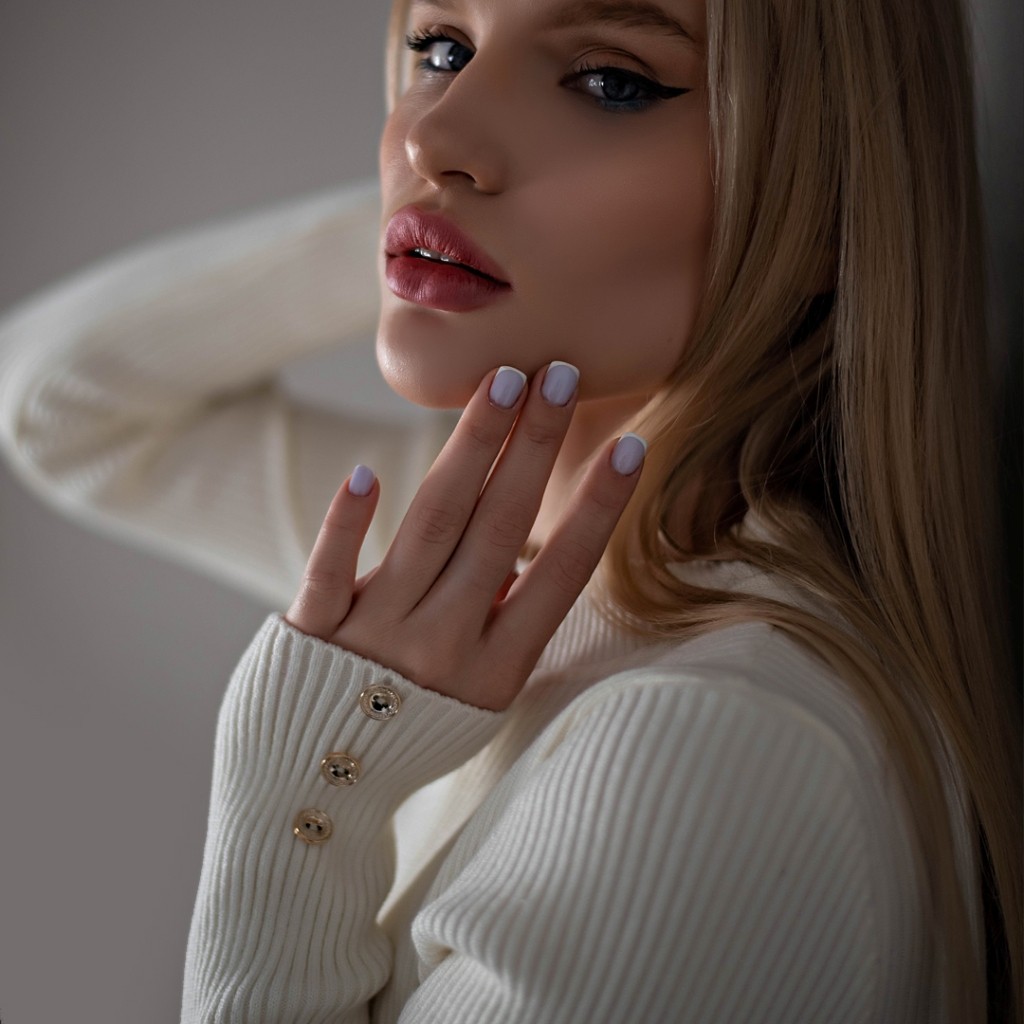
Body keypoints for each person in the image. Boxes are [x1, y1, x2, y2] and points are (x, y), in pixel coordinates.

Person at [0, 0, 1019, 1020]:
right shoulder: (465, 555)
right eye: (441, 49)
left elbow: (62, 412)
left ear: (820, 186)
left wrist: (307, 789)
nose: (428, 133)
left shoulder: (710, 742)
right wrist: (426, 224)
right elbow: (51, 402)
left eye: (611, 82)